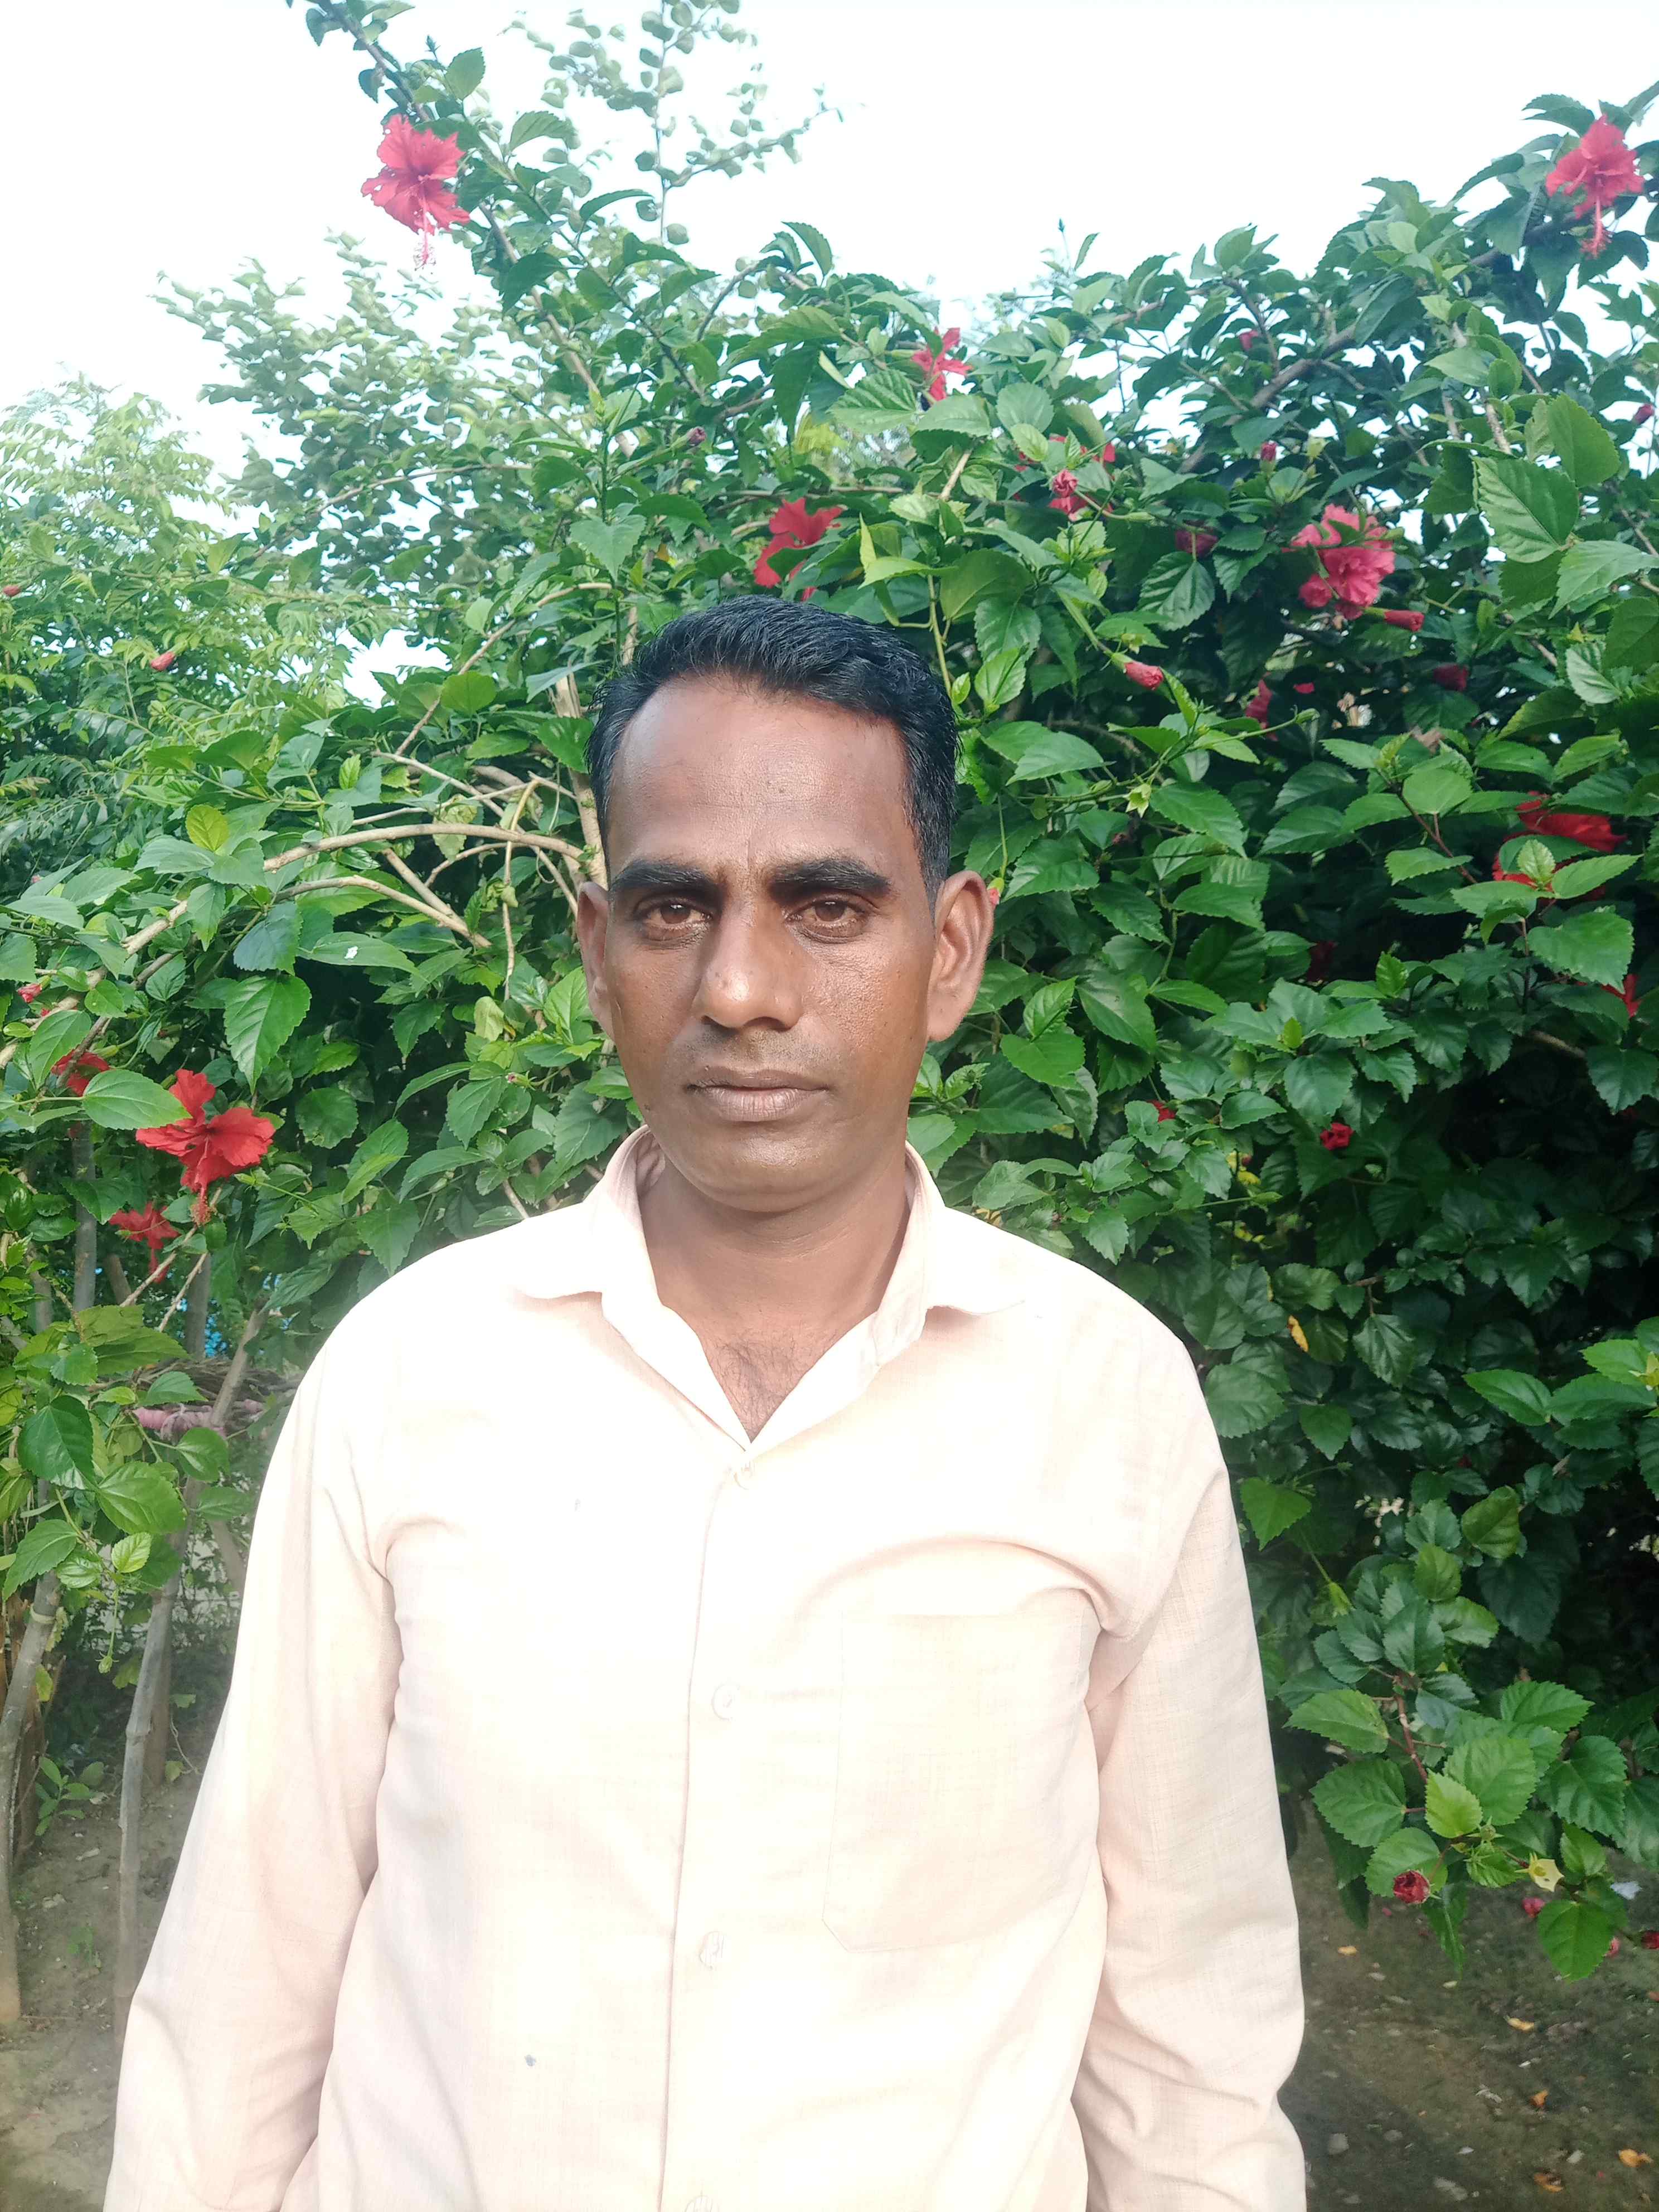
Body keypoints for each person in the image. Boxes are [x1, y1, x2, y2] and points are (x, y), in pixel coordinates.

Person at [105, 599, 1304, 2212]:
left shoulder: (1107, 1401)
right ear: (599, 956)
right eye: (675, 910)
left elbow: (1190, 2033)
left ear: (951, 951)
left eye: (828, 906)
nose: (739, 988)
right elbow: (252, 1955)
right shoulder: (411, 1371)